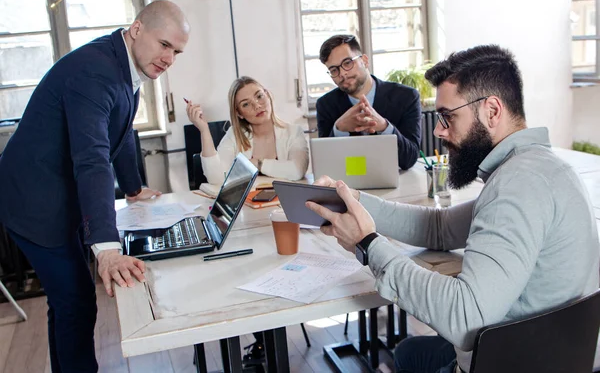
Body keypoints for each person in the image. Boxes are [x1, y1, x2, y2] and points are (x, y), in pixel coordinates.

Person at [306, 44, 599, 373]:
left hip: (512, 358)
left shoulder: (517, 188)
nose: (438, 130)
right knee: (409, 352)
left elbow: (464, 315)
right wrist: (351, 199)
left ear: (491, 111)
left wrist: (368, 243)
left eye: (448, 117)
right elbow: (439, 228)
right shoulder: (539, 169)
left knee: (411, 355)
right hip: (548, 349)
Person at [0, 1, 190, 372]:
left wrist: (133, 188)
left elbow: (120, 130)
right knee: (75, 300)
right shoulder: (96, 72)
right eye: (164, 44)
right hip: (33, 201)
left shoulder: (125, 64)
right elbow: (92, 159)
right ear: (137, 28)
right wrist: (106, 249)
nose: (169, 59)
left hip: (54, 192)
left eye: (177, 52)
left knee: (70, 299)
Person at [316, 34, 422, 170]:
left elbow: (409, 159)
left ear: (365, 61)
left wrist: (384, 127)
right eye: (334, 70)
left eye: (347, 63)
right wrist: (339, 129)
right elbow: (325, 165)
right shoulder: (325, 104)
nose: (342, 73)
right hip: (347, 184)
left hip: (396, 183)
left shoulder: (406, 97)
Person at [186, 76, 309, 185]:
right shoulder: (234, 135)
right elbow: (216, 178)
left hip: (282, 207)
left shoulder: (294, 132)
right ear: (239, 113)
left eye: (259, 96)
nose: (257, 105)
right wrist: (204, 130)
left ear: (267, 95)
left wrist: (258, 164)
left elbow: (297, 171)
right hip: (248, 207)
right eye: (246, 104)